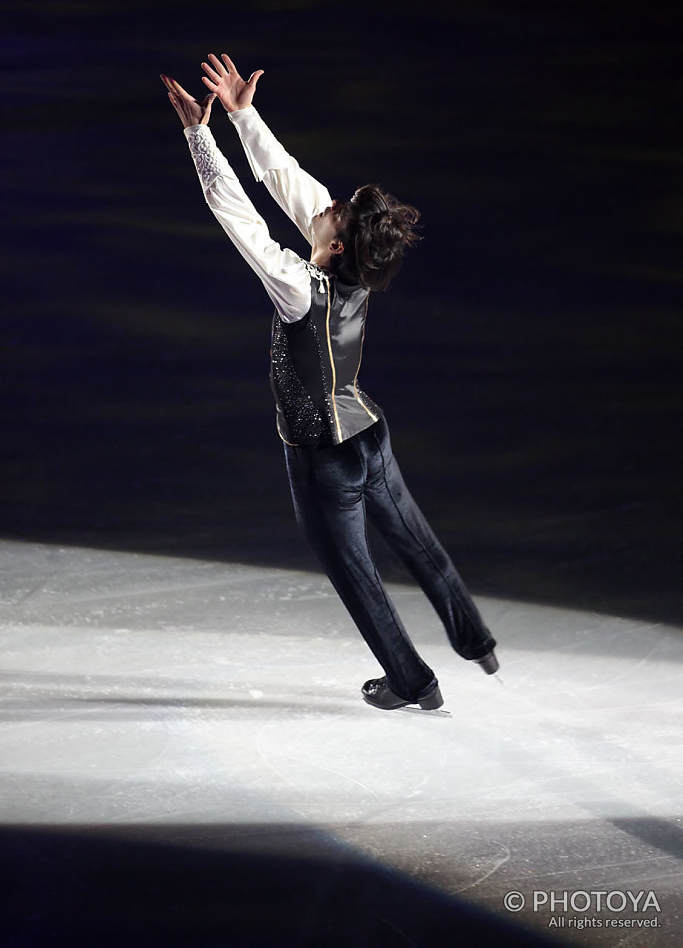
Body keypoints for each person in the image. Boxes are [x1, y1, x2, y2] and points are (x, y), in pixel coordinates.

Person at [160, 53, 498, 712]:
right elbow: (283, 181)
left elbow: (238, 215)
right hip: (369, 434)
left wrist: (198, 135)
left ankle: (412, 683)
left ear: (335, 241)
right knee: (418, 544)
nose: (326, 202)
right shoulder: (351, 266)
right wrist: (241, 115)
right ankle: (476, 642)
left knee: (356, 573)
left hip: (323, 459)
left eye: (333, 209)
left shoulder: (297, 286)